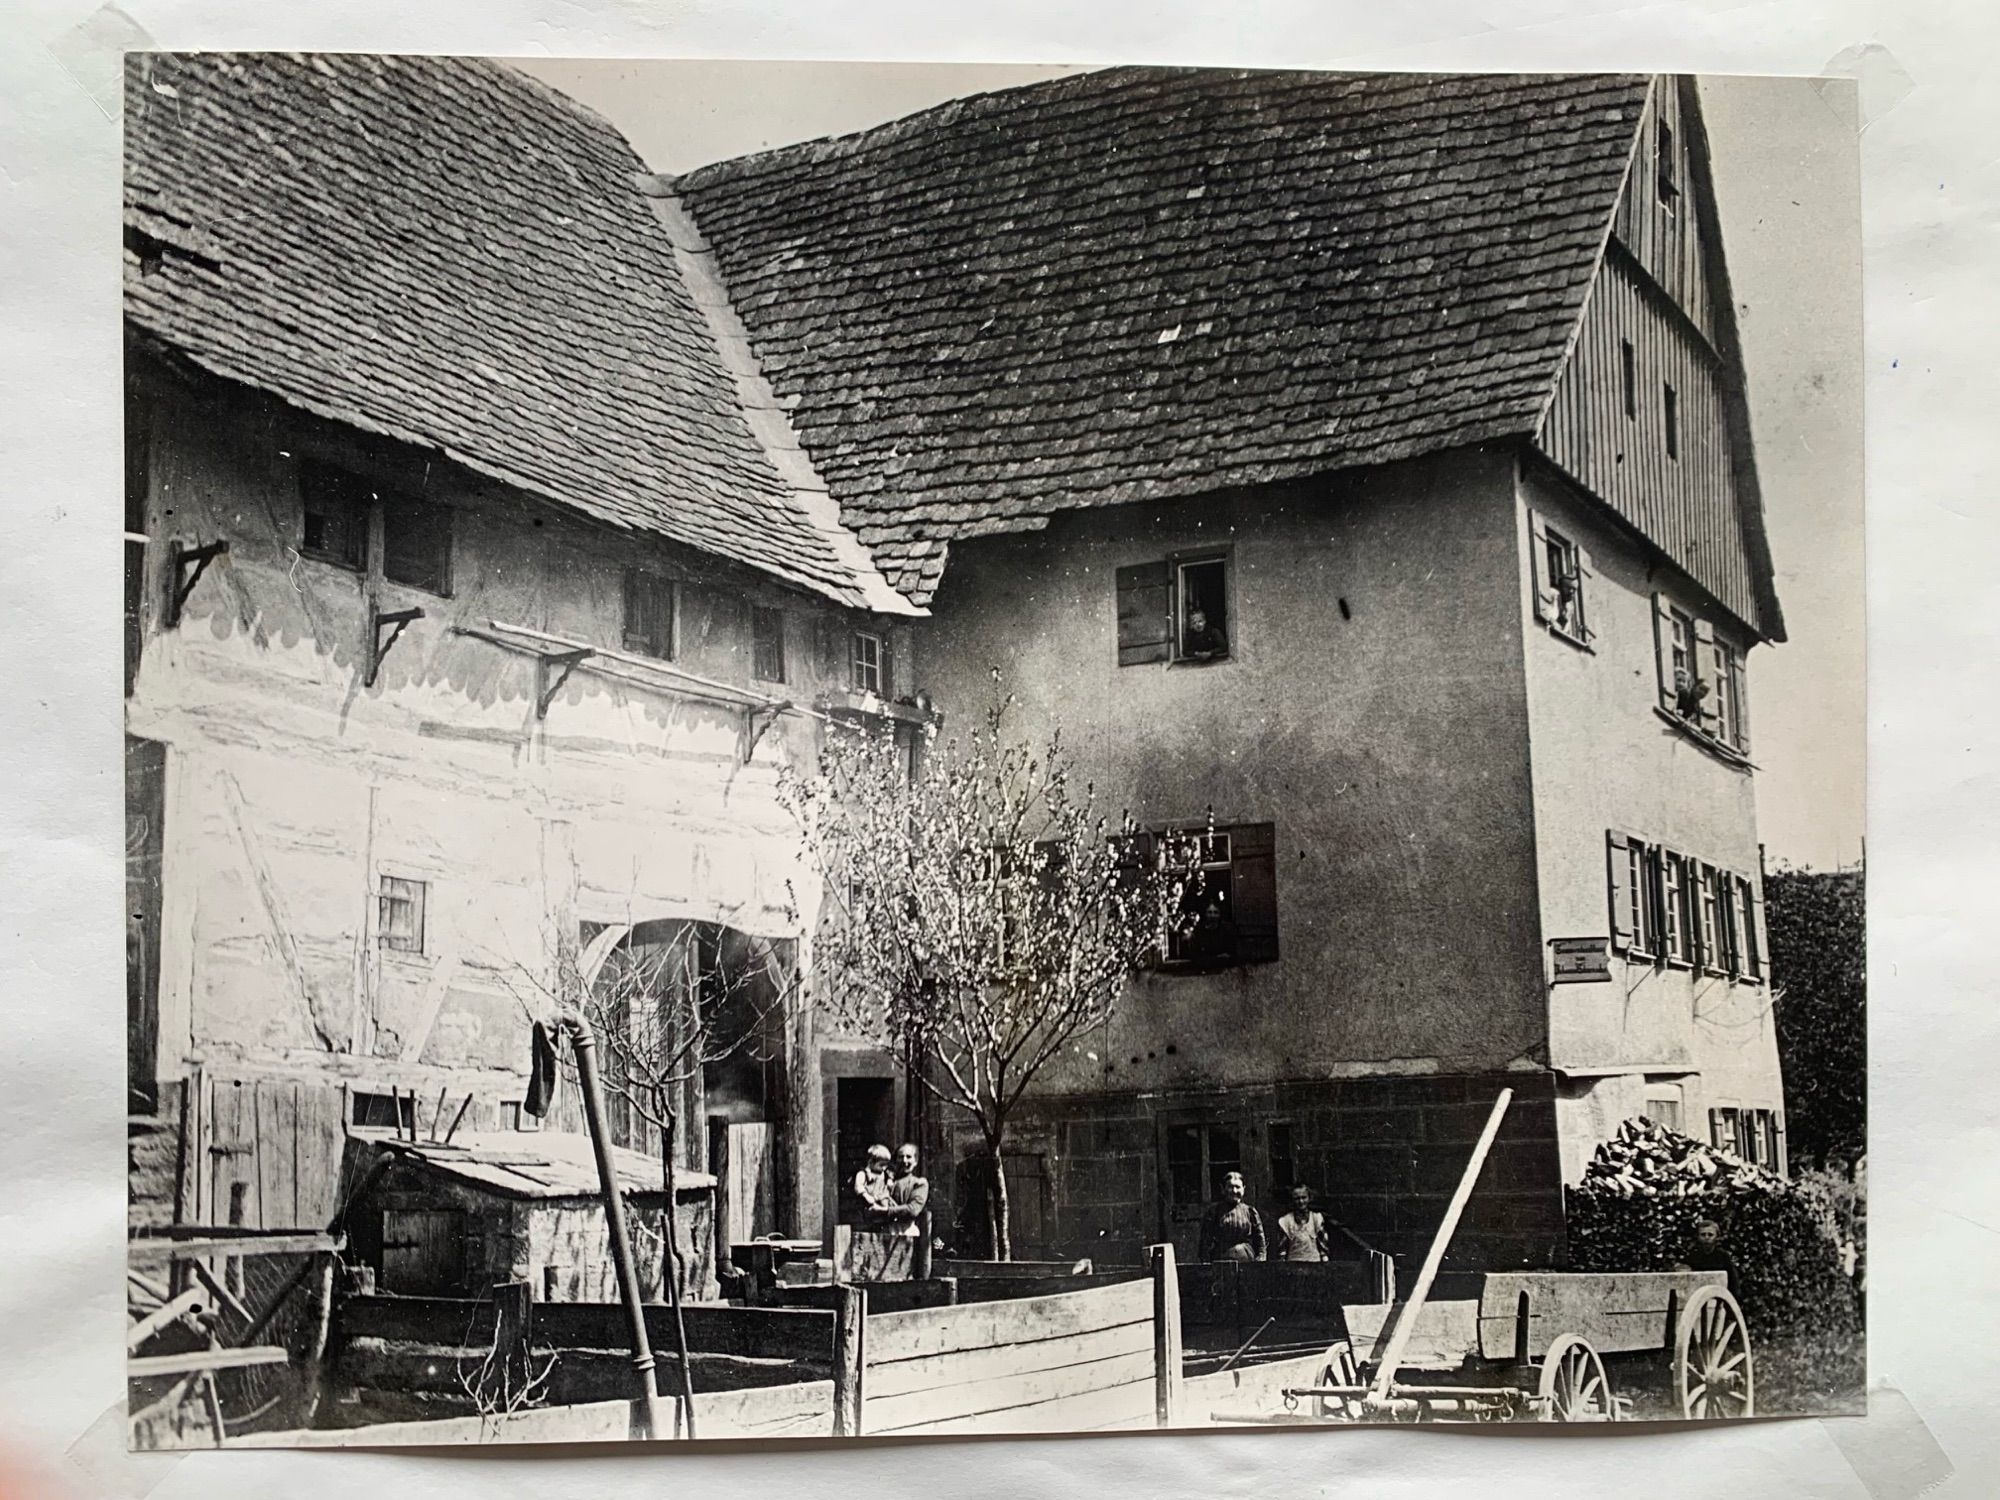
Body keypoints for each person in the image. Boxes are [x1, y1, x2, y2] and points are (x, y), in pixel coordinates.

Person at [1197, 1170, 1266, 1263]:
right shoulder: (1214, 1212)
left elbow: (1260, 1239)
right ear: (1223, 1189)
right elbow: (1205, 1240)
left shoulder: (1250, 1212)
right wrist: (1206, 1262)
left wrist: (1261, 1258)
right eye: (1230, 1187)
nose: (1234, 1191)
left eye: (1238, 1187)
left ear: (1243, 1189)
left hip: (1246, 1259)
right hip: (1221, 1258)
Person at [888, 1142, 933, 1280]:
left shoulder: (919, 1183)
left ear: (915, 1161)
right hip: (887, 1233)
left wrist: (886, 1210)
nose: (904, 1161)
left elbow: (913, 1209)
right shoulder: (888, 1182)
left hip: (908, 1234)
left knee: (906, 1275)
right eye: (901, 1157)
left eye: (909, 1157)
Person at [1274, 1184, 1333, 1263]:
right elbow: (1282, 1249)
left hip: (1314, 1263)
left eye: (1304, 1197)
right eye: (1297, 1199)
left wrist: (1325, 1263)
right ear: (1292, 1200)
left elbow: (1323, 1246)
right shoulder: (1285, 1221)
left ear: (1309, 1198)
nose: (1301, 1201)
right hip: (1293, 1264)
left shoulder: (1316, 1219)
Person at [1674, 1217, 1736, 1289]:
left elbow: (1733, 1282)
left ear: (1717, 1237)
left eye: (1710, 1235)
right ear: (1698, 1237)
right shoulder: (1692, 1257)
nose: (1706, 1237)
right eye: (1703, 1235)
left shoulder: (1723, 1257)